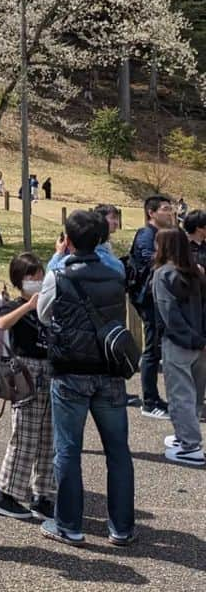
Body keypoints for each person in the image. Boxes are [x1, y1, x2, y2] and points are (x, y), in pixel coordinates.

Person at [37, 209, 135, 547]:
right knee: (118, 451)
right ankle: (121, 528)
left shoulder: (59, 274)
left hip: (71, 371)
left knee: (68, 450)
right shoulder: (116, 273)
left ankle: (69, 525)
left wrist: (57, 256)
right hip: (109, 371)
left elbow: (44, 313)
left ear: (67, 239)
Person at [0, 253, 55, 522]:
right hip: (26, 372)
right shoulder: (12, 305)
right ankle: (5, 493)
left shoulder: (48, 305)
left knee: (49, 438)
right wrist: (28, 307)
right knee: (25, 435)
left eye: (39, 275)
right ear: (19, 280)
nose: (36, 281)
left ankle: (44, 493)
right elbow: (0, 325)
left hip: (49, 370)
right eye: (30, 277)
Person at [151, 228, 206, 466]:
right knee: (195, 394)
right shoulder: (197, 272)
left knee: (180, 395)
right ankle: (185, 435)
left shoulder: (163, 274)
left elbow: (169, 314)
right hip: (200, 344)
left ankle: (190, 446)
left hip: (178, 343)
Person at [129, 195, 176, 418]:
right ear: (152, 213)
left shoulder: (164, 235)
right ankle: (148, 401)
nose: (171, 212)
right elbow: (150, 261)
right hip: (148, 298)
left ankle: (156, 398)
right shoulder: (146, 235)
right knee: (151, 351)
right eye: (166, 209)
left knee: (157, 348)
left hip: (160, 297)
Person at [47, 205, 124, 278]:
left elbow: (50, 278)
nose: (116, 223)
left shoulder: (61, 267)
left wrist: (59, 253)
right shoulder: (117, 266)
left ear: (68, 240)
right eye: (112, 218)